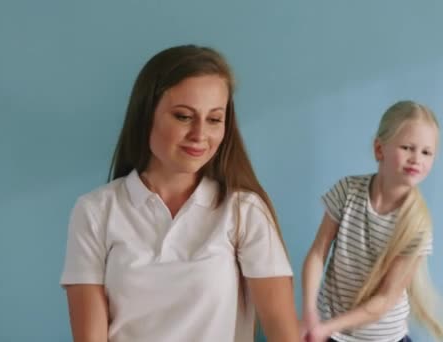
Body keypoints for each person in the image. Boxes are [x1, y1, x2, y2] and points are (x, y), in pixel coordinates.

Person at [60, 44, 299, 342]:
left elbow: (283, 332)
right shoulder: (95, 210)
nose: (200, 135)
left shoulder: (244, 211)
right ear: (146, 115)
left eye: (214, 119)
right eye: (184, 116)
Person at [301, 101, 443, 342]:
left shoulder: (418, 226)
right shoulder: (347, 192)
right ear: (379, 149)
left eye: (426, 152)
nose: (417, 158)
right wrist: (310, 312)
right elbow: (317, 253)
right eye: (407, 147)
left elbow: (385, 300)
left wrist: (327, 327)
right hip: (328, 330)